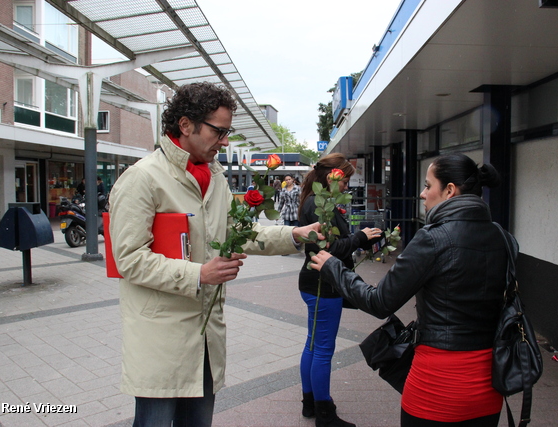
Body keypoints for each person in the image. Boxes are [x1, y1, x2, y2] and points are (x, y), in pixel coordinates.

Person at [108, 82, 322, 427]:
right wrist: (198, 275)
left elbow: (236, 236)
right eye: (219, 131)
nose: (225, 142)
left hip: (206, 339)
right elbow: (129, 260)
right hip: (160, 340)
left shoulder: (216, 177)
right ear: (186, 124)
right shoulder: (142, 179)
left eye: (227, 132)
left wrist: (294, 235)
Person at [310, 153, 512, 427]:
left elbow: (379, 301)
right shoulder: (503, 237)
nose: (422, 194)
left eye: (428, 186)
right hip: (490, 383)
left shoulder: (432, 238)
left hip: (436, 384)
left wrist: (334, 267)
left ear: (449, 190)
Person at [297, 153, 383, 427]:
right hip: (324, 284)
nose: (347, 185)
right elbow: (330, 250)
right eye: (344, 179)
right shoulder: (320, 204)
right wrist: (359, 238)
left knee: (312, 346)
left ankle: (310, 404)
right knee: (322, 349)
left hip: (315, 282)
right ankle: (325, 414)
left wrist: (359, 240)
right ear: (331, 177)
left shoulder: (315, 200)